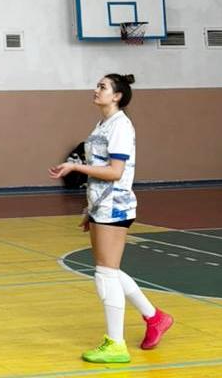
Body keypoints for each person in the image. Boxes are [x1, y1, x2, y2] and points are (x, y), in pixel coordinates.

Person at [49, 74, 173, 364]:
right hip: (101, 206)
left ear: (117, 96)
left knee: (105, 273)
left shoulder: (120, 126)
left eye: (102, 87)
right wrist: (89, 208)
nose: (96, 90)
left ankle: (116, 344)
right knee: (110, 271)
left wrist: (75, 168)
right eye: (98, 85)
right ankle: (155, 318)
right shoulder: (102, 124)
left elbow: (115, 172)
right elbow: (100, 169)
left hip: (115, 206)